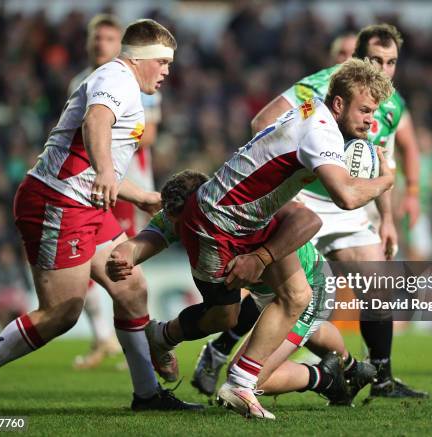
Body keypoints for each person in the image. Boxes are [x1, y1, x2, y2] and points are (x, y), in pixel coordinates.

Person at [0, 19, 202, 415]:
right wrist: (105, 170)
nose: (168, 71)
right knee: (62, 312)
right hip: (57, 203)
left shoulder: (126, 85)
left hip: (82, 202)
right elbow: (96, 121)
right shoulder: (116, 80)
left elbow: (100, 166)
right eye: (164, 62)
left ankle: (147, 394)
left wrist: (140, 196)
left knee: (131, 286)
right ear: (139, 58)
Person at [143, 58, 394, 419]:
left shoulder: (310, 108)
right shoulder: (321, 131)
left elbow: (266, 125)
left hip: (236, 215)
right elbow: (347, 197)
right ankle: (239, 375)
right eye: (366, 110)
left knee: (264, 304)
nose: (371, 120)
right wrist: (385, 180)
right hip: (223, 223)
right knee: (236, 312)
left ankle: (209, 363)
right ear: (339, 104)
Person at [211, 23, 427, 399]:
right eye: (376, 60)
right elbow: (263, 122)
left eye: (391, 62)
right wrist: (284, 185)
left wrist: (388, 218)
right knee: (288, 293)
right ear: (358, 56)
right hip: (306, 201)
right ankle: (224, 354)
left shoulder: (391, 103)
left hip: (350, 205)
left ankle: (380, 380)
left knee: (377, 286)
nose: (384, 69)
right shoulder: (323, 88)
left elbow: (383, 161)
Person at [106, 171, 377, 406]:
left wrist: (262, 257)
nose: (185, 233)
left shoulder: (237, 205)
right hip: (271, 291)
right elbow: (142, 242)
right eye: (178, 226)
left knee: (246, 377)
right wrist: (122, 255)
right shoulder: (180, 214)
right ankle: (353, 367)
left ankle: (328, 380)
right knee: (291, 328)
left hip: (307, 287)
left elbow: (308, 219)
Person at [68, 14, 162, 370]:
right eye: (96, 38)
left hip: (127, 181)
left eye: (108, 38)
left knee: (123, 263)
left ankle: (135, 340)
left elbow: (147, 134)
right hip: (90, 181)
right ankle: (106, 338)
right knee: (98, 265)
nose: (100, 44)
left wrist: (107, 152)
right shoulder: (81, 81)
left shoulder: (138, 82)